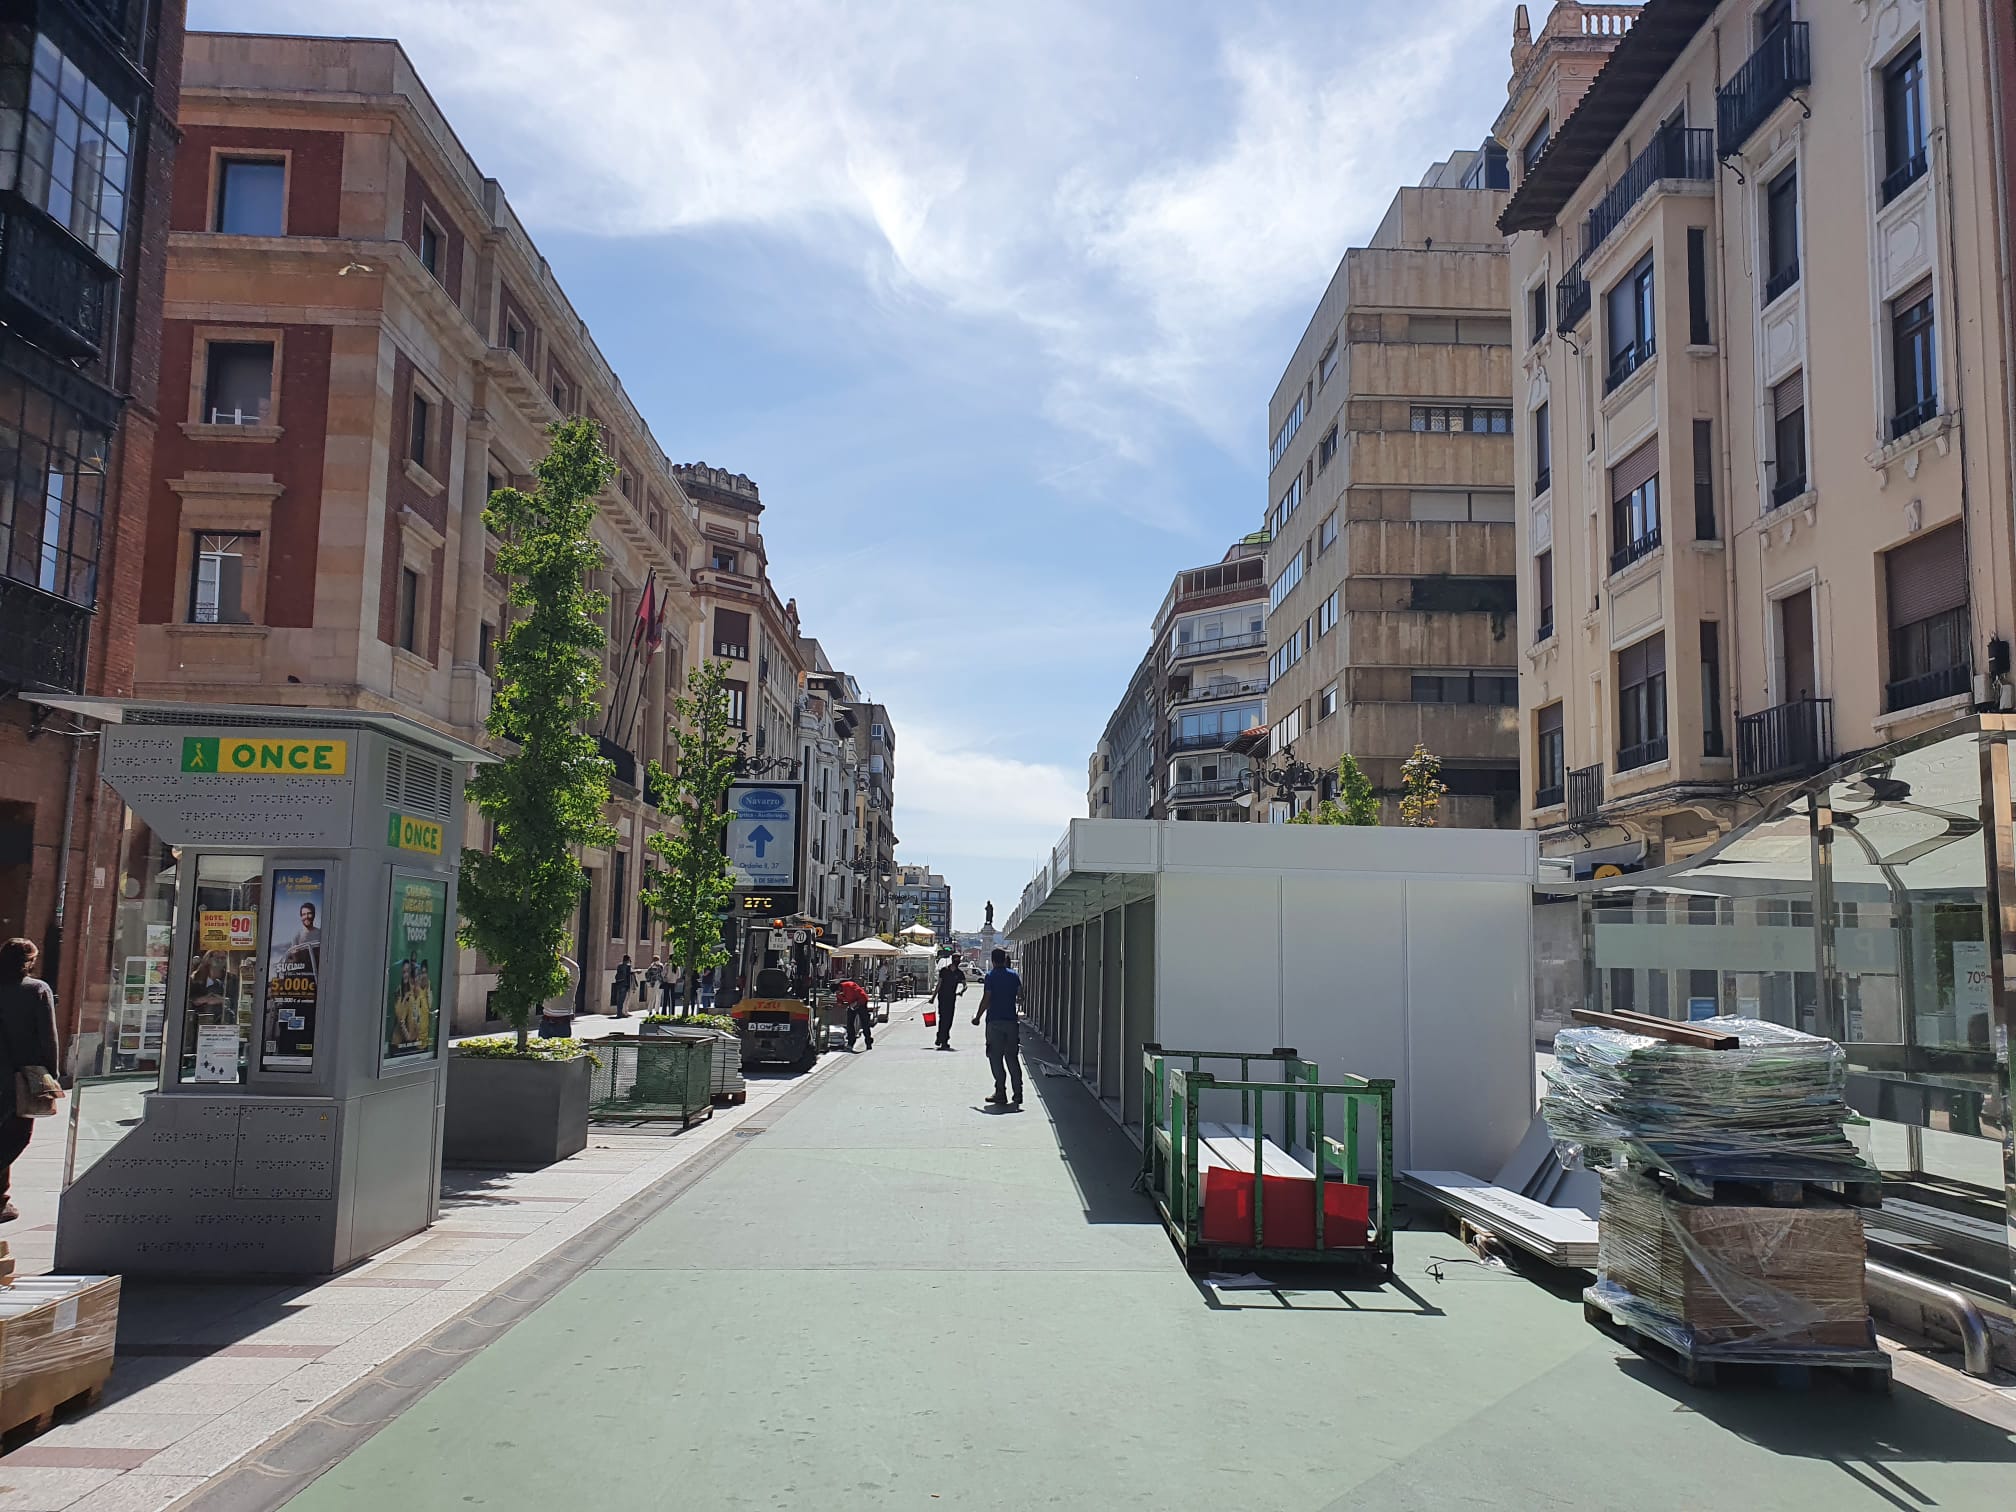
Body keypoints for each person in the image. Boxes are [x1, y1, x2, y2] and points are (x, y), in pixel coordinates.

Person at [0, 939, 63, 1222]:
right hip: (20, 1077)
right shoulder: (37, 989)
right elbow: (48, 1037)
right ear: (30, 961)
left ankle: (2, 1200)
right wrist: (51, 1074)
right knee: (17, 1136)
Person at [971, 947, 1022, 1108]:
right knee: (1012, 1057)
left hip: (995, 1022)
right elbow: (1021, 996)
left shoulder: (991, 976)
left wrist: (977, 1017)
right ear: (1004, 958)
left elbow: (987, 998)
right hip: (1011, 1022)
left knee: (995, 1057)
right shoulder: (1014, 976)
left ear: (993, 960)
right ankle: (1018, 1093)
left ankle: (1001, 1092)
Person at [539, 955, 579, 1039]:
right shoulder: (547, 983)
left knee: (561, 1050)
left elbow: (575, 968)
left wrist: (559, 957)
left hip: (561, 1024)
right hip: (546, 1022)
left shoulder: (570, 984)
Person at [933, 957, 965, 1051]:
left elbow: (965, 984)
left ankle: (941, 1037)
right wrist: (933, 997)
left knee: (948, 1019)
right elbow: (939, 984)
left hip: (951, 999)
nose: (958, 962)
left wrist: (961, 991)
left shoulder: (959, 973)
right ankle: (943, 1040)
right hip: (942, 997)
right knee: (943, 1018)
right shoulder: (944, 970)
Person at [836, 976, 873, 1051]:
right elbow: (839, 999)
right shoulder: (838, 992)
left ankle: (868, 1042)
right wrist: (840, 1003)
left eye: (837, 991)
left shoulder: (850, 986)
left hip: (861, 1003)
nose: (837, 993)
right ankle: (850, 1043)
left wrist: (857, 1003)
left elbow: (863, 997)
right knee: (850, 1023)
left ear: (839, 987)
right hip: (851, 1005)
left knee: (864, 1023)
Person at [611, 954, 635, 1018]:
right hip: (625, 984)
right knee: (622, 1000)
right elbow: (629, 972)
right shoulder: (627, 966)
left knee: (619, 999)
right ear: (628, 960)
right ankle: (620, 1013)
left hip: (619, 983)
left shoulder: (619, 965)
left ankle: (619, 1012)